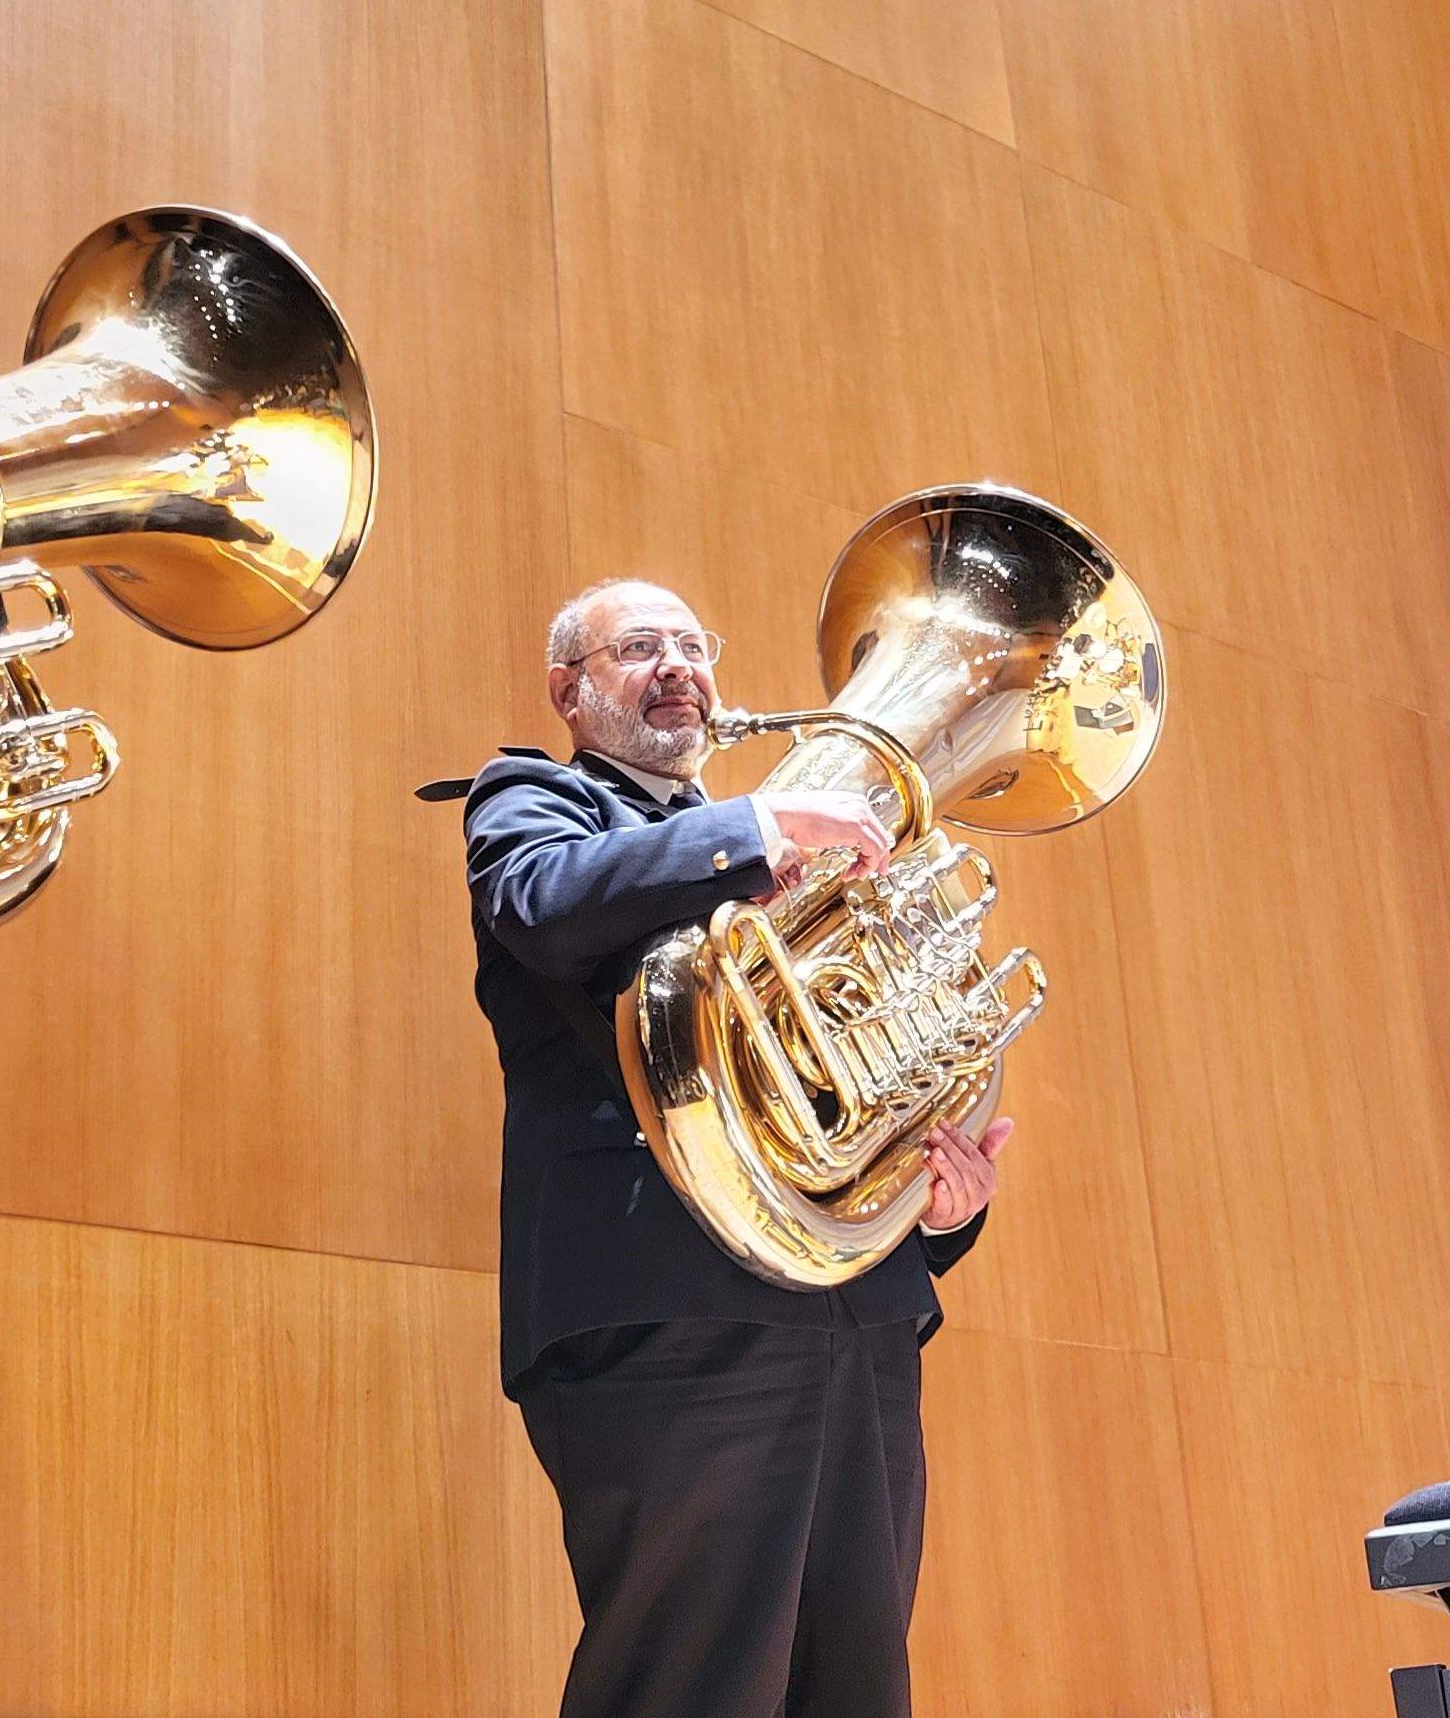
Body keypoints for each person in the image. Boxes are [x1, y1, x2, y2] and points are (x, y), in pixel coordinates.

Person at [433, 577, 1017, 1718]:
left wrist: (936, 1207)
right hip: (672, 1326)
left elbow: (842, 1074)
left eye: (695, 646)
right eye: (638, 647)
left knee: (855, 1686)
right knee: (690, 1684)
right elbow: (546, 903)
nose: (677, 667)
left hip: (859, 1328)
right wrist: (757, 830)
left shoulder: (802, 866)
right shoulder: (534, 803)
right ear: (570, 689)